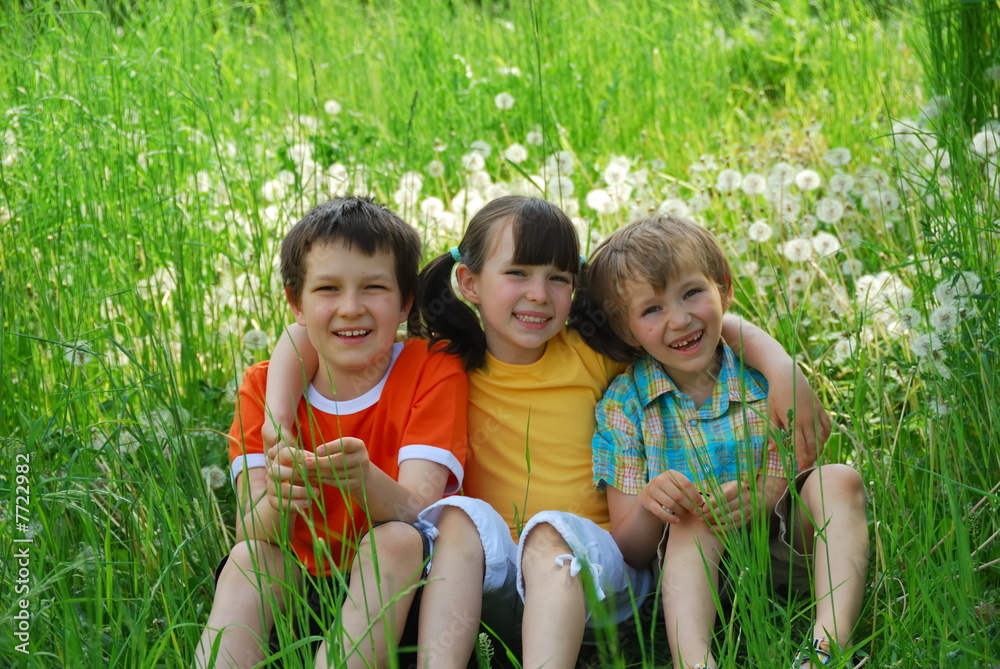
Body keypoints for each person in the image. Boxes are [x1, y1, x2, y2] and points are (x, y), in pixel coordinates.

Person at [267, 195, 830, 669]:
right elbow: (299, 339)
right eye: (517, 274)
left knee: (551, 532)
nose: (539, 295)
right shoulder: (445, 360)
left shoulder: (588, 350)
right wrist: (278, 414)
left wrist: (781, 367)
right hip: (500, 582)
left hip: (599, 575)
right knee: (459, 517)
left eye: (558, 279)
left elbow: (687, 325)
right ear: (468, 282)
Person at [194, 197, 468, 669]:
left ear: (405, 302)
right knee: (251, 557)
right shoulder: (263, 389)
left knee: (395, 540)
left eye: (374, 287)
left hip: (399, 605)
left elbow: (419, 513)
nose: (350, 308)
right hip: (296, 600)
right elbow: (249, 528)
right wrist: (277, 502)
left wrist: (366, 482)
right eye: (327, 289)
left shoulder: (432, 370)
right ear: (295, 303)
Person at [585, 214, 869, 669]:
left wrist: (768, 491)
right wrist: (650, 504)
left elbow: (803, 453)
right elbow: (630, 549)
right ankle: (694, 662)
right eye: (651, 309)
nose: (679, 320)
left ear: (724, 288)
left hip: (785, 547)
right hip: (696, 575)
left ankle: (827, 646)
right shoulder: (625, 405)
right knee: (692, 520)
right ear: (625, 330)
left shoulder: (763, 375)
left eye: (692, 292)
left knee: (839, 479)